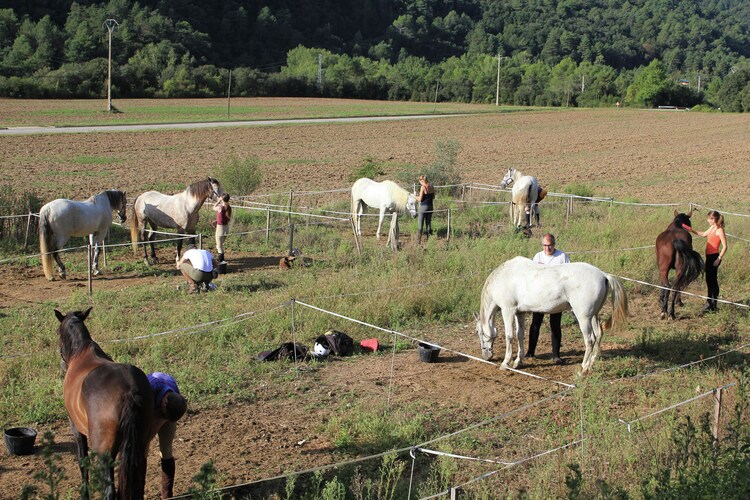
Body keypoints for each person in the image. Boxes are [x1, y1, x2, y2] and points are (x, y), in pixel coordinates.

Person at [527, 233, 570, 365]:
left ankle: (556, 355)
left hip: (556, 297)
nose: (547, 248)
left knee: (555, 325)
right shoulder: (537, 256)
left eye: (550, 245)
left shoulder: (562, 257)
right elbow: (532, 275)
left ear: (554, 245)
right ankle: (530, 352)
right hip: (540, 296)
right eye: (545, 245)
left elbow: (569, 274)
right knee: (535, 324)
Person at [147, 372, 188, 499]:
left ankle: (167, 496)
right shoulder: (151, 387)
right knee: (142, 449)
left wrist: (164, 419)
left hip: (166, 414)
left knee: (166, 450)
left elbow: (169, 416)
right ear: (164, 403)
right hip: (149, 410)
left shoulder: (175, 397)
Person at [685, 210, 727, 314]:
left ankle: (713, 304)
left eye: (709, 219)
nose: (708, 220)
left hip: (714, 257)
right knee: (709, 280)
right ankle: (710, 302)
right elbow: (704, 234)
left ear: (714, 219)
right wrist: (691, 230)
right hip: (709, 256)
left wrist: (719, 259)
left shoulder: (719, 230)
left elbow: (725, 246)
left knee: (712, 280)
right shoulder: (712, 227)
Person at [212, 194, 231, 263]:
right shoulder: (228, 207)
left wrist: (218, 201)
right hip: (226, 227)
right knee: (220, 244)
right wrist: (217, 220)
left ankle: (221, 260)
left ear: (222, 199)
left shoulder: (221, 207)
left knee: (219, 246)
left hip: (220, 228)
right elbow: (225, 218)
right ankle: (220, 258)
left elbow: (213, 207)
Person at [416, 175, 435, 243]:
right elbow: (433, 197)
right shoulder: (432, 186)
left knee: (420, 224)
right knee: (428, 223)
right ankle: (429, 239)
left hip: (423, 207)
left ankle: (418, 241)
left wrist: (414, 196)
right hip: (430, 206)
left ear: (422, 180)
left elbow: (420, 199)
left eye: (420, 181)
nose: (420, 183)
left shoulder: (422, 187)